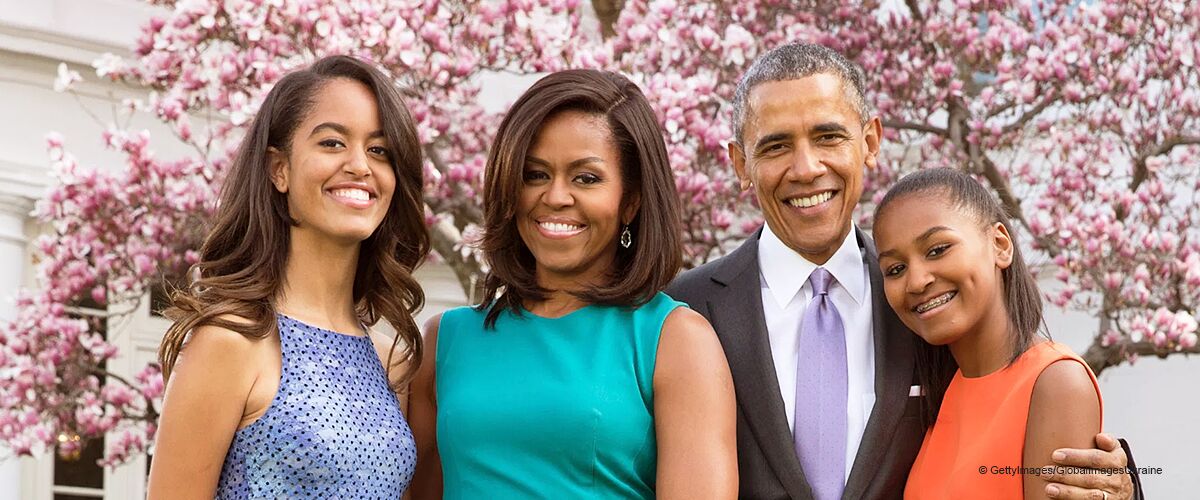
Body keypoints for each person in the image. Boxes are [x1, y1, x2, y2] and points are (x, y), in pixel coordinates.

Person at [665, 42, 1138, 500]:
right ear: (740, 163)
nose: (806, 168)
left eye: (828, 137)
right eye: (776, 147)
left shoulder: (928, 306)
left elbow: (1022, 411)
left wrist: (1120, 489)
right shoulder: (685, 311)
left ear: (870, 141)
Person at [407, 69, 737, 499]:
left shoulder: (674, 340)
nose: (556, 196)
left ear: (631, 201)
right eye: (535, 175)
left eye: (586, 178)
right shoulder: (444, 340)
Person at [147, 55, 429, 499]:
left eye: (379, 150)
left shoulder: (392, 361)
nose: (360, 165)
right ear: (279, 168)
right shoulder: (231, 341)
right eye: (333, 143)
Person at [872, 167, 1103, 499]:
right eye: (896, 269)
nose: (917, 281)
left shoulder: (1056, 382)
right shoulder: (942, 390)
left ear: (1000, 244)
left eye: (937, 249)